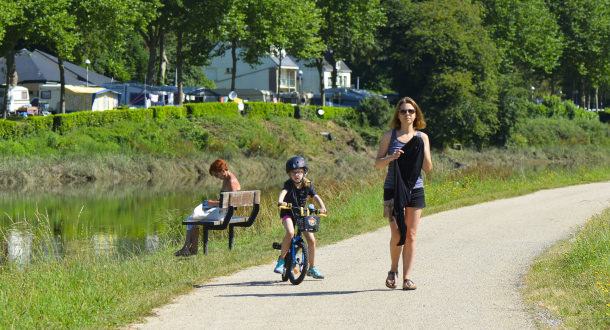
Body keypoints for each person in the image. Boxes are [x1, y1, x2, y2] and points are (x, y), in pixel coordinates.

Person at [375, 97, 432, 290]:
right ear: (397, 115)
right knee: (398, 232)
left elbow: (428, 168)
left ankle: (407, 277)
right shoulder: (389, 136)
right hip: (393, 189)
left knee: (411, 235)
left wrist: (420, 150)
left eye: (411, 111)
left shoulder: (422, 137)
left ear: (416, 115)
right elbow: (378, 163)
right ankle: (393, 269)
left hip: (415, 189)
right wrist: (392, 157)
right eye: (403, 111)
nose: (407, 114)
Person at [274, 156, 327, 279]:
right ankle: (281, 261)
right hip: (288, 212)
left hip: (302, 214)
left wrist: (322, 207)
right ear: (289, 174)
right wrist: (281, 201)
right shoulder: (288, 184)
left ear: (304, 172)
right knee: (291, 232)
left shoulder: (308, 184)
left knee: (311, 240)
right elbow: (283, 192)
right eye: (293, 172)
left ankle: (312, 268)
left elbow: (315, 196)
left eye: (299, 172)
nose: (296, 175)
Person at [174, 159, 241, 256]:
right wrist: (214, 204)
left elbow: (232, 202)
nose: (216, 177)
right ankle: (190, 248)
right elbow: (226, 201)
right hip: (223, 212)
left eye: (216, 175)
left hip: (224, 214)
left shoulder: (230, 181)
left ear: (222, 170)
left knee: (192, 217)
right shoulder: (228, 178)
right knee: (193, 217)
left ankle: (190, 249)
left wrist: (213, 203)